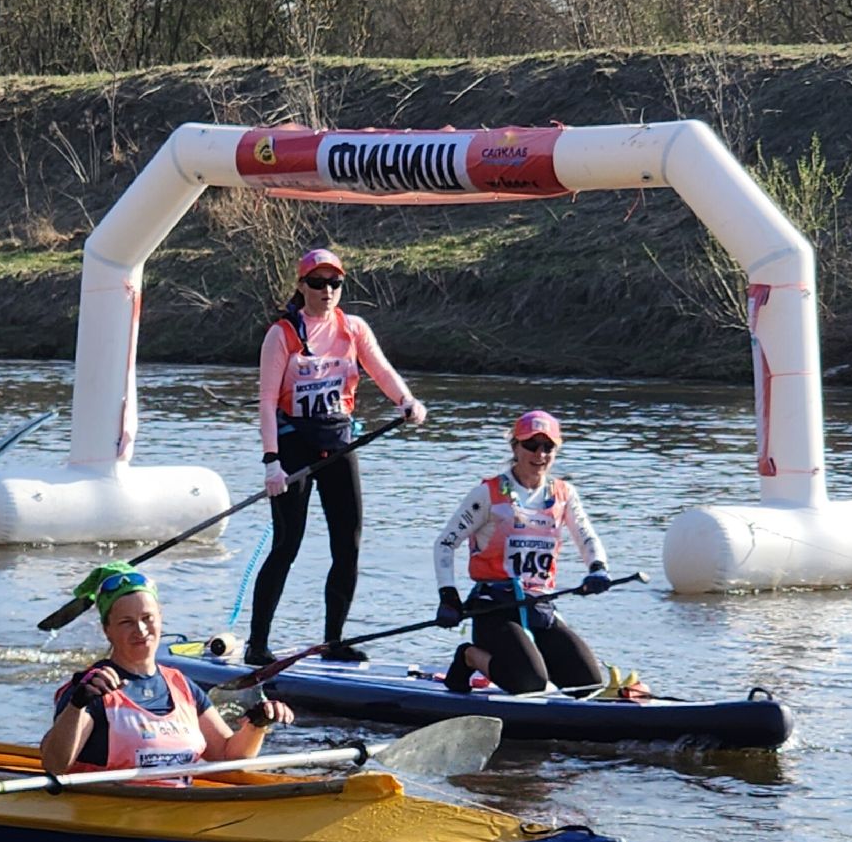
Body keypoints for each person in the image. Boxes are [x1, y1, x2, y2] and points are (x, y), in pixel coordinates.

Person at [246, 247, 428, 667]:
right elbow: (266, 401)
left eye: (334, 283)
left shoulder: (353, 328)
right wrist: (271, 461)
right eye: (317, 283)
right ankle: (258, 643)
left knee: (348, 545)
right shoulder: (283, 334)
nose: (327, 291)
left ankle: (333, 642)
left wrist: (406, 401)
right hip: (293, 445)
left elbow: (380, 370)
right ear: (301, 285)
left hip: (339, 442)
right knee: (287, 545)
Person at [42, 563, 295, 778]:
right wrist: (77, 706)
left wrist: (257, 724)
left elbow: (228, 756)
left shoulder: (181, 685)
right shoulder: (91, 688)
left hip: (173, 812)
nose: (140, 630)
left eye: (147, 618)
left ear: (160, 618)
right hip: (108, 819)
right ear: (107, 630)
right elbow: (54, 766)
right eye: (126, 622)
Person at [431, 411, 616, 695]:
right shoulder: (489, 493)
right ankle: (469, 655)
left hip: (539, 607)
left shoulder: (564, 494)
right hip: (494, 608)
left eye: (548, 447)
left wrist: (597, 568)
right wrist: (449, 597)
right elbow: (445, 543)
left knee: (589, 686)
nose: (540, 454)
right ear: (515, 446)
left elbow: (586, 535)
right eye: (531, 445)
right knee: (531, 684)